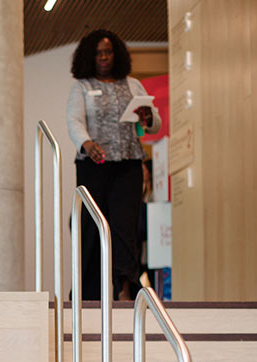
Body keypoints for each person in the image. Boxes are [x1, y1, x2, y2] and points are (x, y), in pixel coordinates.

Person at [67, 29, 161, 301]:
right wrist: (86, 143)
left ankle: (123, 287)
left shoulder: (133, 85)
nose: (104, 57)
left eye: (108, 51)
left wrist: (147, 118)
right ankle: (88, 293)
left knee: (125, 227)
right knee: (91, 227)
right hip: (93, 166)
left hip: (128, 166)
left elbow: (154, 123)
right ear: (89, 56)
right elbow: (74, 121)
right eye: (98, 53)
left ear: (116, 54)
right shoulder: (82, 87)